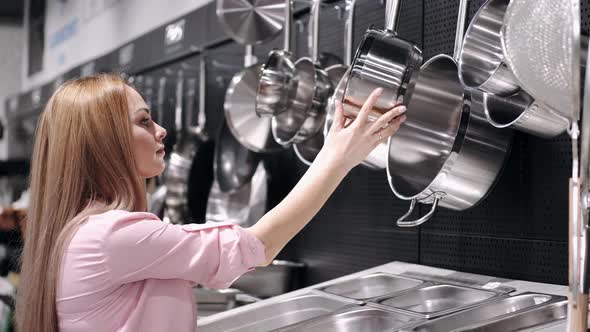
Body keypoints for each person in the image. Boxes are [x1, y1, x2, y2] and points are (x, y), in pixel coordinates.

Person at [15, 73, 407, 332]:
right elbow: (257, 246)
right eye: (144, 121)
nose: (161, 129)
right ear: (103, 141)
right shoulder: (110, 236)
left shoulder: (86, 233)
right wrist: (336, 159)